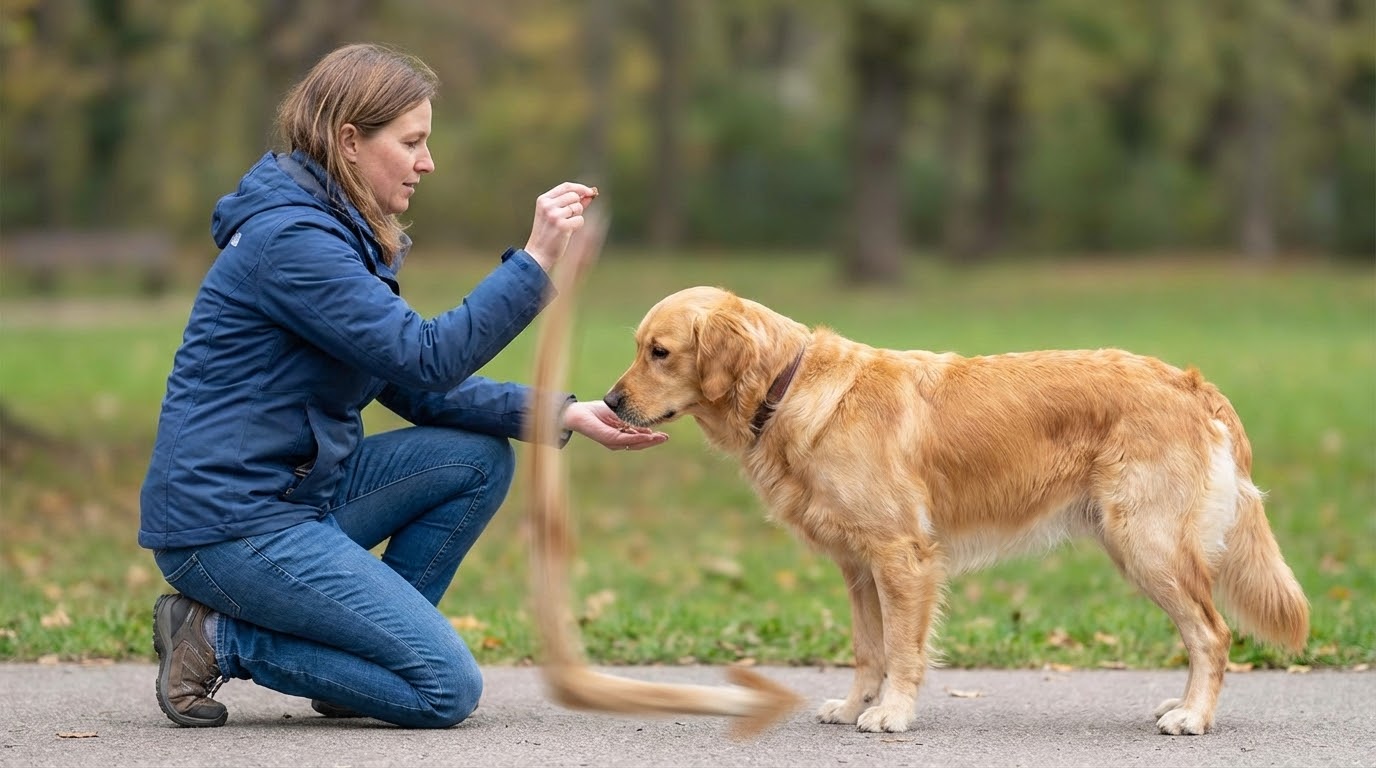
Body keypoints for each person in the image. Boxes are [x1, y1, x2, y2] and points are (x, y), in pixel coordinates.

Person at [138, 42, 667, 730]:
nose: (428, 161)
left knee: (473, 459)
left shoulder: (333, 230)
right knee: (445, 690)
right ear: (349, 141)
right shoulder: (295, 243)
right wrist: (536, 261)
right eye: (413, 142)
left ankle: (361, 671)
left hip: (293, 497)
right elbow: (426, 360)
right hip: (229, 528)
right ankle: (215, 637)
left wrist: (561, 413)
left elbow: (410, 387)